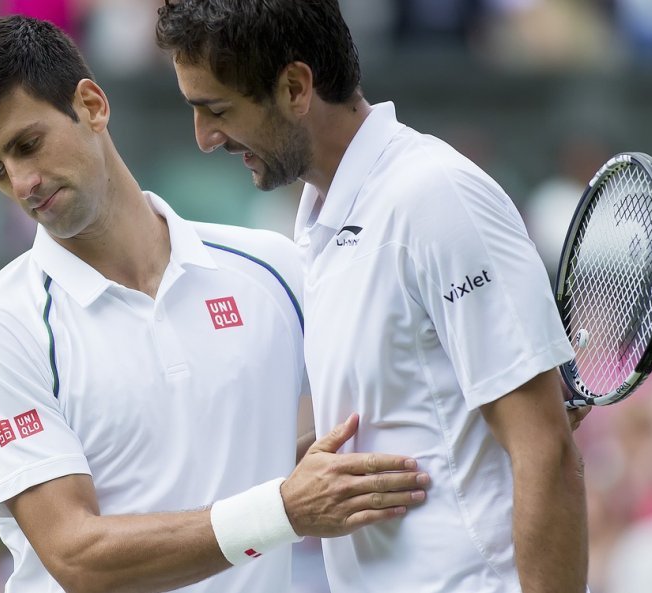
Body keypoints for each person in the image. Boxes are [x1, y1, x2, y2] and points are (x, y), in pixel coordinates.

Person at [0, 16, 429, 593]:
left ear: (92, 105)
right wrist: (285, 509)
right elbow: (77, 554)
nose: (21, 184)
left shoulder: (274, 268)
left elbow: (340, 422)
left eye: (27, 145)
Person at [156, 2, 589, 592]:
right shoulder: (317, 222)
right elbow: (400, 418)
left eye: (217, 110)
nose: (206, 138)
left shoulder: (434, 196)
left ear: (294, 87)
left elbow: (547, 452)